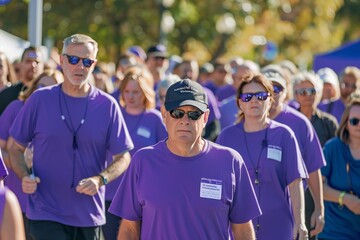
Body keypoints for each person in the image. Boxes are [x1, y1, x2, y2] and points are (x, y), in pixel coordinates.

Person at [8, 34, 133, 240]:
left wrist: (100, 179)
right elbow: (15, 148)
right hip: (45, 213)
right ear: (62, 61)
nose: (79, 67)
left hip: (89, 215)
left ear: (94, 64)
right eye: (73, 59)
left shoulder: (108, 106)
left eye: (86, 61)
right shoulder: (40, 99)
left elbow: (123, 156)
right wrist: (24, 175)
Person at [109, 79, 261, 239]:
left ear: (205, 118)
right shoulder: (143, 161)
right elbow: (129, 229)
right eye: (177, 113)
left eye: (194, 114)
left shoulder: (230, 161)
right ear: (164, 115)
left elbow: (243, 229)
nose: (185, 120)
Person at [217, 74, 308, 240]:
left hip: (279, 226)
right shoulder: (226, 137)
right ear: (239, 103)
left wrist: (300, 222)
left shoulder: (284, 135)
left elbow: (296, 183)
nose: (254, 101)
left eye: (261, 96)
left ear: (270, 100)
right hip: (237, 229)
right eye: (247, 97)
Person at [102, 65, 167, 240]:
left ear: (145, 92)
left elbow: (166, 155)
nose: (130, 96)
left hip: (144, 196)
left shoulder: (155, 119)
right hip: (112, 196)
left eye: (136, 92)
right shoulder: (113, 115)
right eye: (127, 91)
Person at [263, 66, 326, 240]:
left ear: (286, 93)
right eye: (267, 88)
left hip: (290, 210)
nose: (273, 93)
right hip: (253, 211)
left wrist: (319, 209)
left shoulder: (300, 123)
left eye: (278, 89)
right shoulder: (247, 122)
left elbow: (313, 167)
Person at [0, 69, 63, 240]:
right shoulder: (16, 108)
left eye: (52, 89)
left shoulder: (62, 119)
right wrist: (17, 158)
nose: (43, 93)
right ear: (33, 87)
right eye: (41, 86)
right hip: (16, 195)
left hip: (47, 205)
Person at [318, 98, 360, 239]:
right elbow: (318, 186)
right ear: (346, 123)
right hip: (334, 232)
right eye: (355, 121)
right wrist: (345, 198)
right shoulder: (332, 147)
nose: (359, 125)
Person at [293, 71, 338, 146]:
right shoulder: (290, 121)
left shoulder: (329, 122)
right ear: (296, 95)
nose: (308, 95)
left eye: (312, 91)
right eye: (303, 92)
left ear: (319, 93)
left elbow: (336, 150)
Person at [0, 46, 45, 115]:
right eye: (28, 61)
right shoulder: (6, 95)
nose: (33, 65)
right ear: (20, 64)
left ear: (43, 66)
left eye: (37, 62)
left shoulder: (47, 95)